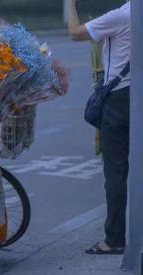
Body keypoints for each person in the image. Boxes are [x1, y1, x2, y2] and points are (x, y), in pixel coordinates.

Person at [66, 0, 131, 254]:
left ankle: (114, 240)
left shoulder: (121, 16)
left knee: (116, 172)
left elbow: (75, 32)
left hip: (119, 100)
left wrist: (70, 4)